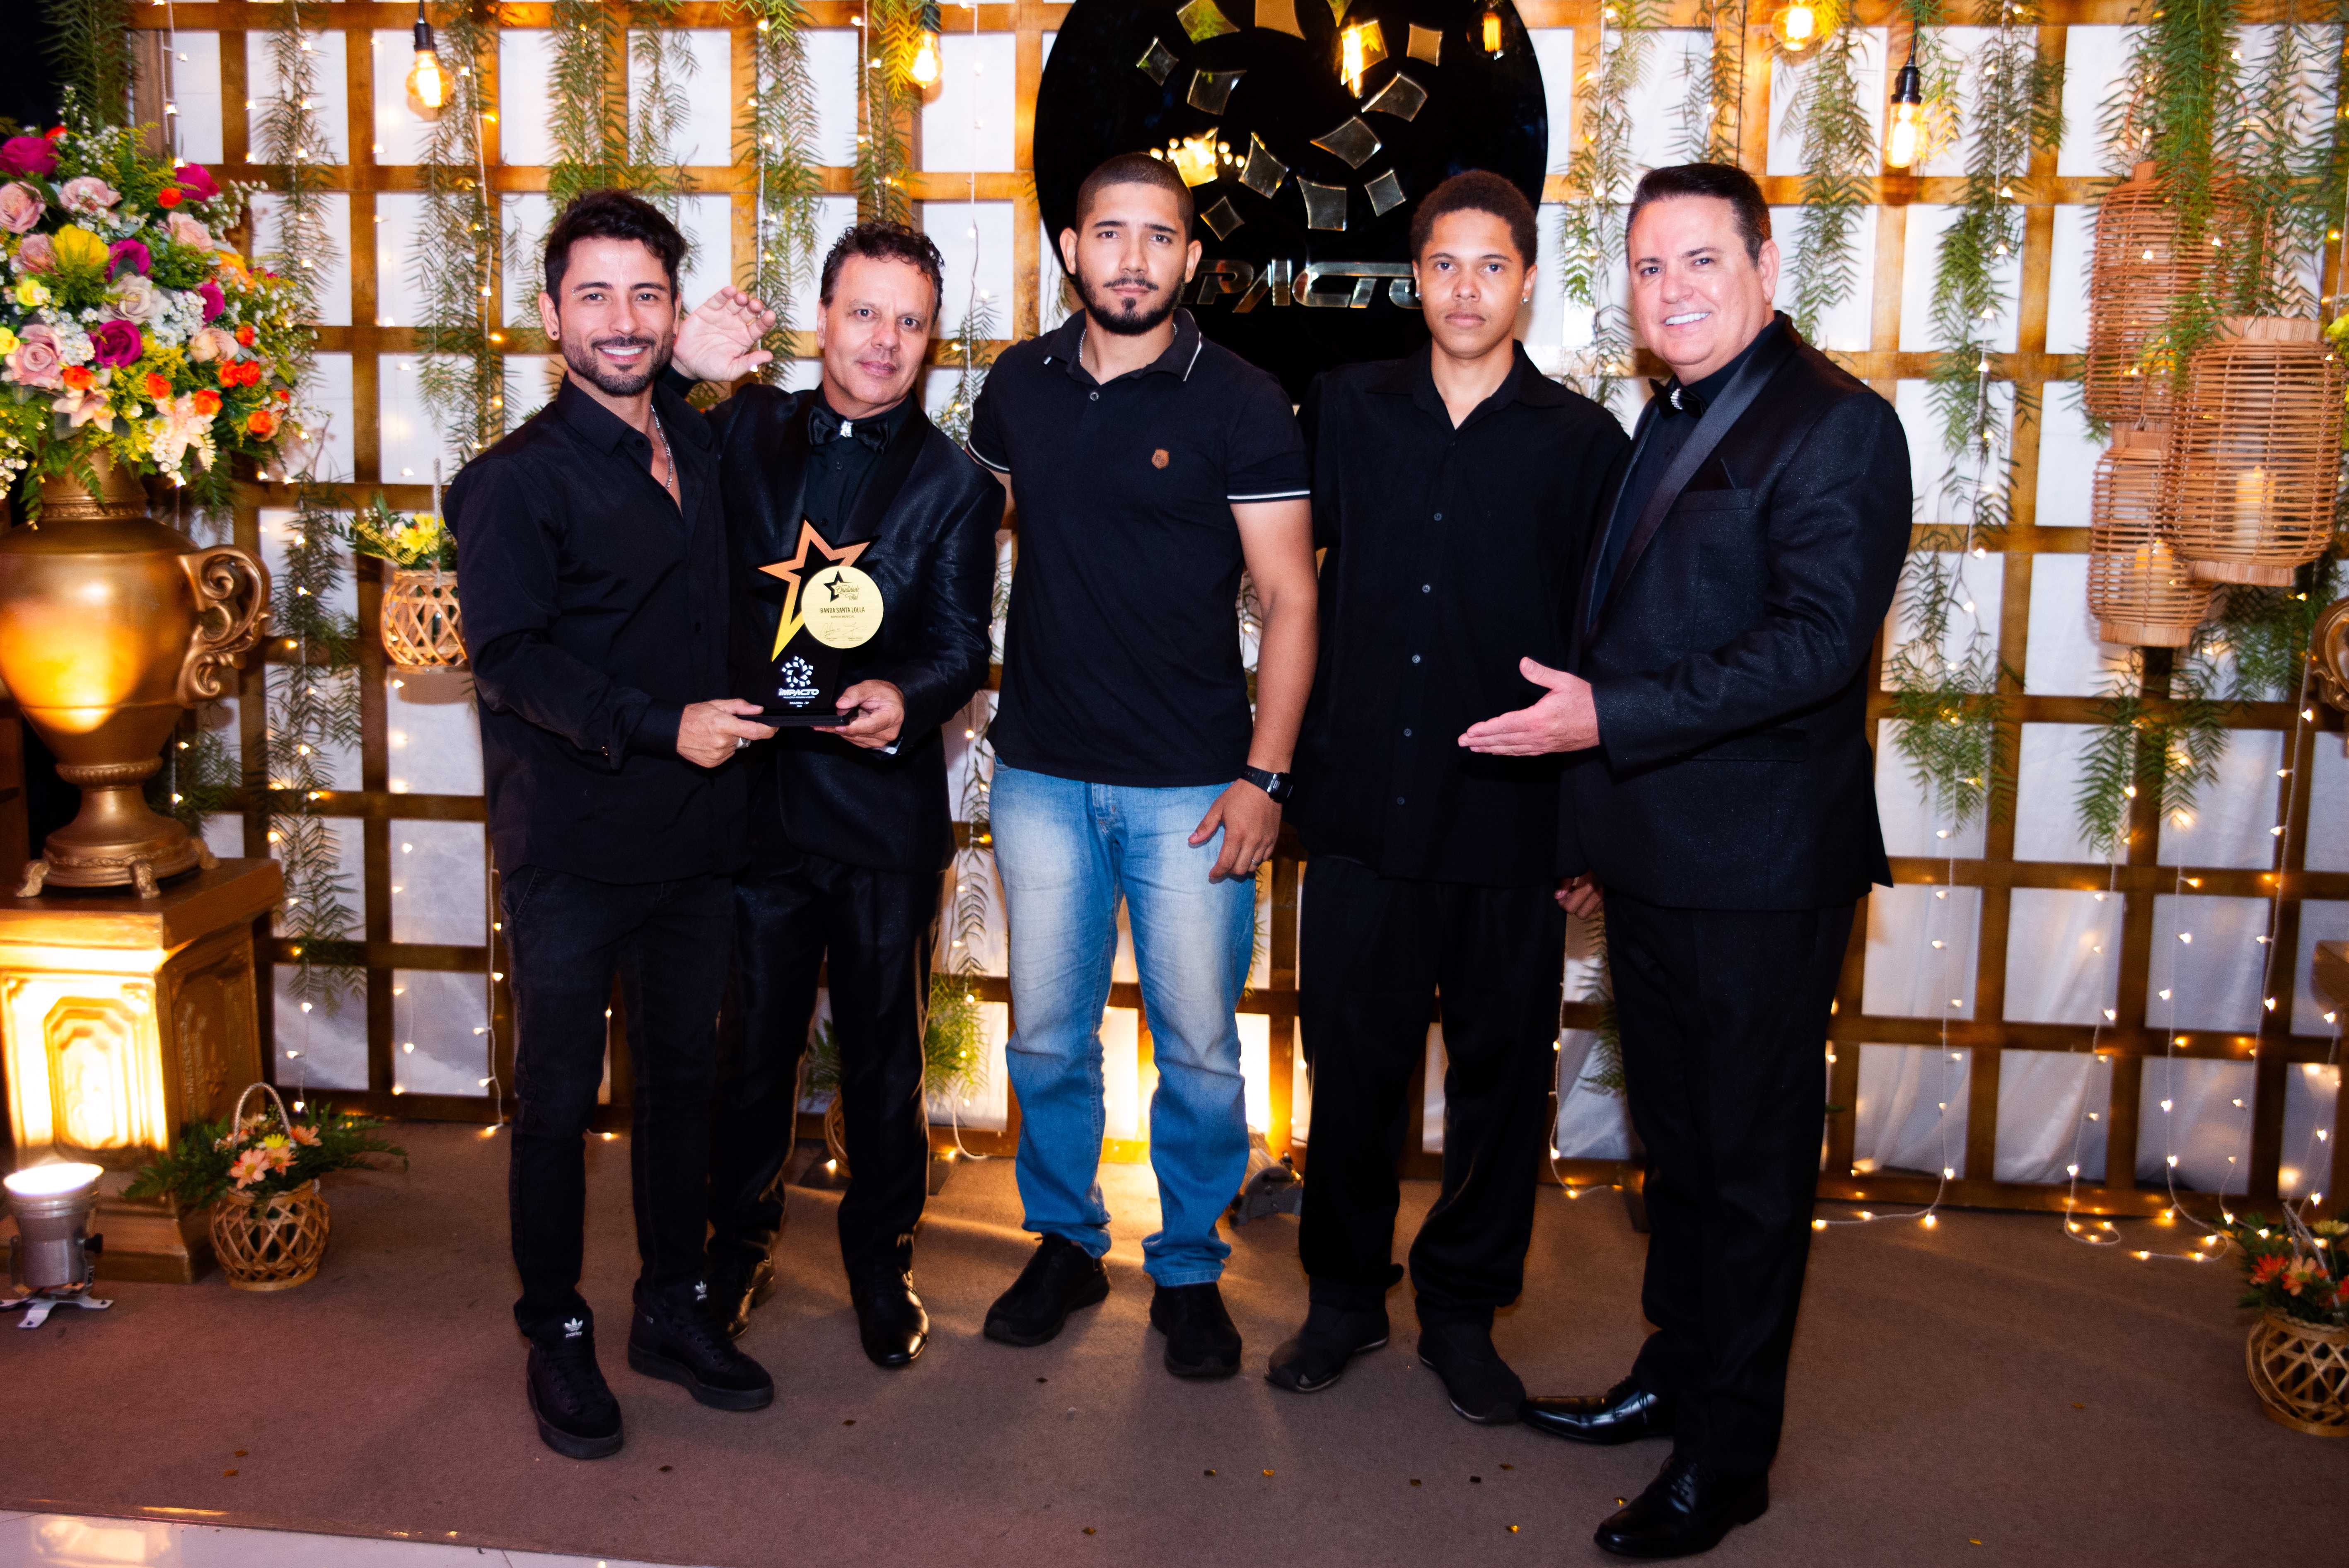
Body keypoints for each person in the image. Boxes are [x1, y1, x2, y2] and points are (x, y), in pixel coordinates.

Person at [1461, 162, 1909, 1557]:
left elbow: (1814, 647)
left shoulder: (1839, 425)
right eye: (1650, 267)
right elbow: (1631, 627)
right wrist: (1594, 826)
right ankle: (1676, 1371)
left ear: (1766, 266)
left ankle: (1731, 1455)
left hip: (1762, 871)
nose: (1674, 290)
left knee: (1750, 1168)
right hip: (1654, 858)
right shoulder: (1668, 414)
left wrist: (1606, 721)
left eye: (1702, 260)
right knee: (1681, 1151)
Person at [1268, 172, 1626, 1423]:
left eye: (1492, 265)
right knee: (1350, 1066)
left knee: (1499, 1081)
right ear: (1414, 277)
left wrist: (1589, 822)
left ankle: (1464, 1311)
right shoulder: (1346, 408)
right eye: (1443, 264)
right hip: (1361, 803)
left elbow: (1604, 645)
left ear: (1527, 280)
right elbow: (1283, 576)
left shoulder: (1585, 442)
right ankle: (1345, 1295)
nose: (1466, 288)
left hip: (1510, 816)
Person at [962, 152, 1319, 1379]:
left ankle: (1188, 1265)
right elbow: (955, 540)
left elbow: (1291, 597)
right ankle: (1065, 1241)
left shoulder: (1243, 400)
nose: (1132, 258)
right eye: (1109, 233)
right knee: (1047, 1040)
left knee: (1202, 1048)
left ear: (1192, 258)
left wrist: (1266, 777)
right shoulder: (1017, 386)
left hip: (1196, 785)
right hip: (1042, 775)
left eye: (1159, 236)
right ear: (1071, 247)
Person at [449, 189, 779, 1462]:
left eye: (647, 294)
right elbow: (511, 659)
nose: (623, 319)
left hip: (697, 836)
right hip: (576, 843)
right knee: (555, 1099)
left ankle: (670, 1305)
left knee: (684, 1080)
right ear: (550, 316)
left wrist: (695, 372)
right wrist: (659, 724)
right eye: (595, 295)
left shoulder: (694, 443)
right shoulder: (511, 483)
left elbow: (676, 422)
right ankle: (557, 1330)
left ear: (674, 309)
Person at [660, 223, 1004, 1368]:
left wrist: (907, 696)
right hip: (751, 802)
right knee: (749, 1050)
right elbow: (631, 458)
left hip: (879, 812)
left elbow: (960, 644)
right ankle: (738, 1248)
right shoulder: (742, 427)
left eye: (910, 321)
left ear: (931, 339)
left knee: (884, 1060)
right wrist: (684, 369)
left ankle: (881, 1262)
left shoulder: (957, 485)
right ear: (822, 320)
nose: (884, 340)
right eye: (864, 313)